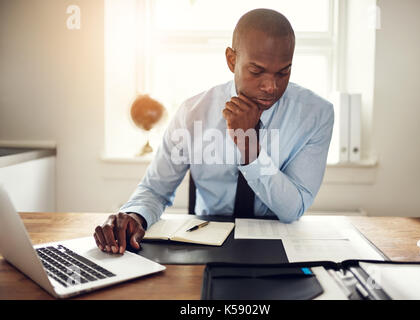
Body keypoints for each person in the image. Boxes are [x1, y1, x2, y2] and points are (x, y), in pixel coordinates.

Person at [94, 8, 334, 254]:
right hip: (204, 242)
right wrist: (134, 215)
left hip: (280, 243)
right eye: (256, 71)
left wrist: (248, 146)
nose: (271, 87)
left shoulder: (316, 115)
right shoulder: (192, 113)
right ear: (232, 60)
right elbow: (155, 190)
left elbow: (292, 210)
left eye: (283, 72)